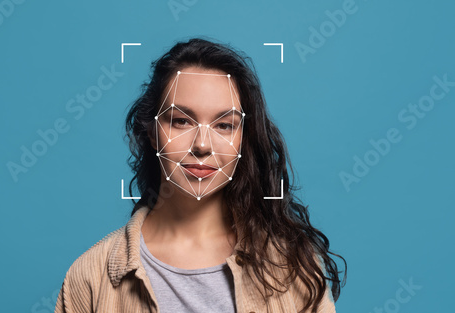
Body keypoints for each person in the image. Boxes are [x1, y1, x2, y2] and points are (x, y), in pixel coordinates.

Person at [54, 37, 347, 313]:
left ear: (243, 141)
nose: (202, 145)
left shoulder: (293, 268)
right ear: (153, 132)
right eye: (181, 121)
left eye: (224, 125)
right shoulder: (90, 277)